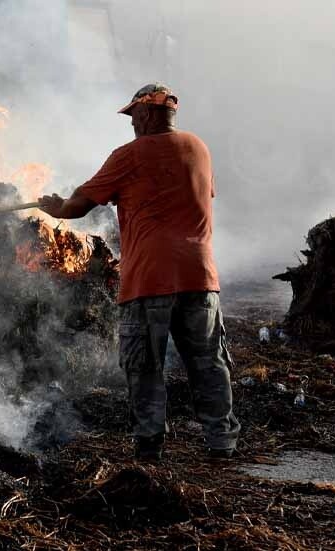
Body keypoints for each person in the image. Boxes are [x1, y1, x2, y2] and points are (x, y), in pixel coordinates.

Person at [38, 83, 240, 460]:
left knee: (143, 364)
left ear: (146, 114)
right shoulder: (200, 150)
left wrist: (56, 208)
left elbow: (78, 206)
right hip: (200, 276)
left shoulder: (128, 156)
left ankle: (149, 444)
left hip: (148, 279)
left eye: (133, 117)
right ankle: (221, 443)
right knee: (209, 363)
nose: (132, 124)